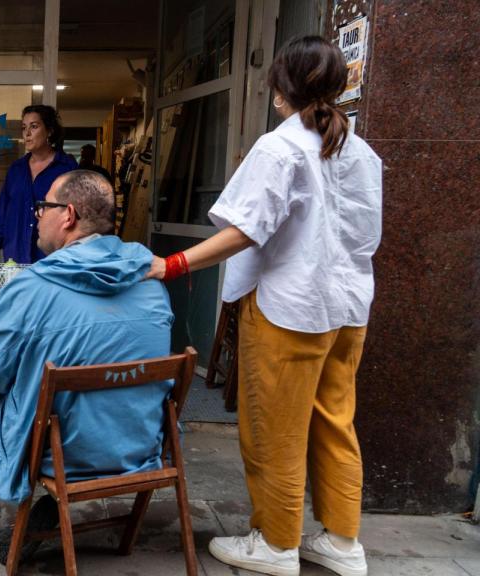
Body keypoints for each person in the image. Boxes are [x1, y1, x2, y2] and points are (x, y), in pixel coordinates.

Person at [148, 36, 381, 576]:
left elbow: (244, 231)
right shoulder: (363, 152)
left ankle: (276, 544)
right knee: (335, 422)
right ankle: (343, 544)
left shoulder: (280, 149)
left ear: (282, 88)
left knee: (275, 427)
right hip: (347, 310)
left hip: (289, 310)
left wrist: (171, 264)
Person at [0, 170, 174, 568]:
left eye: (42, 207)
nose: (36, 216)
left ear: (67, 215)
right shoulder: (152, 283)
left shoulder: (31, 287)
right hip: (140, 446)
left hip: (64, 451)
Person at [0, 105, 78, 264]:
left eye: (34, 127)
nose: (27, 134)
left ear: (49, 130)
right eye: (24, 128)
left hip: (52, 258)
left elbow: (77, 214)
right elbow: (2, 209)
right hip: (15, 255)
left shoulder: (66, 167)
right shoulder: (16, 169)